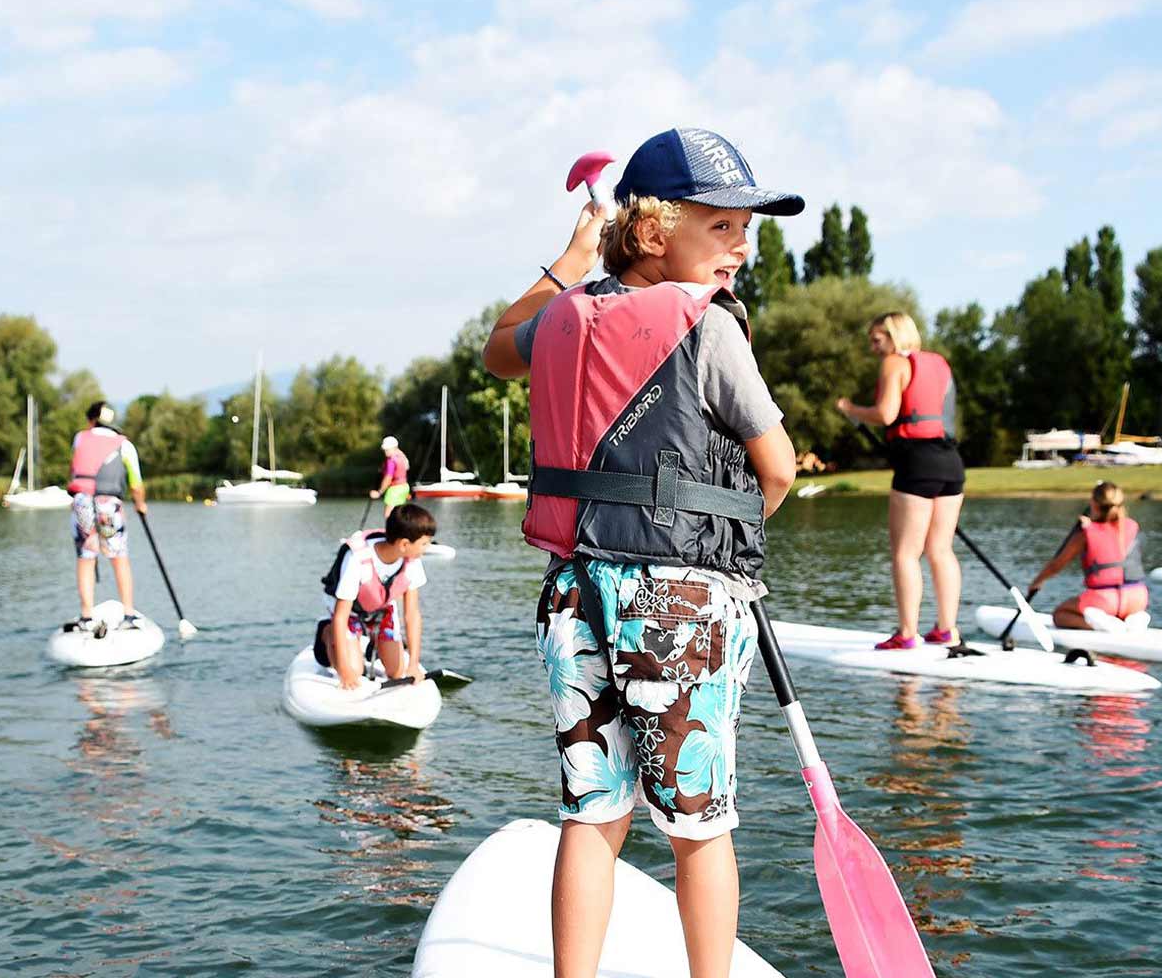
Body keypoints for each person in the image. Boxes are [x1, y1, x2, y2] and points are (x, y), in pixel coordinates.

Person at [481, 127, 800, 978]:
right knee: (700, 825)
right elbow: (779, 469)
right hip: (680, 608)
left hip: (572, 596)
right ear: (656, 231)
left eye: (748, 230)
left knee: (592, 813)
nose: (742, 248)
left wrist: (572, 255)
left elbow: (494, 344)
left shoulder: (558, 319)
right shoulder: (710, 327)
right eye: (723, 227)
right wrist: (715, 551)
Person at [834, 312, 964, 649]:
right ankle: (947, 630)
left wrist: (851, 408)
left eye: (877, 339)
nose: (874, 347)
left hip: (917, 463)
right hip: (951, 462)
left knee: (905, 553)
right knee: (941, 549)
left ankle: (907, 634)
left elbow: (886, 414)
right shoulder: (939, 363)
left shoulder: (894, 363)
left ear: (894, 336)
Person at [315, 502, 436, 688]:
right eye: (424, 544)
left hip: (381, 608)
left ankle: (375, 640)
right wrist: (345, 672)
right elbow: (341, 616)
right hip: (349, 612)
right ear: (404, 544)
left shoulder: (412, 561)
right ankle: (326, 632)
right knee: (354, 670)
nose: (426, 548)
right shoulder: (358, 558)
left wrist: (413, 664)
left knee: (396, 672)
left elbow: (412, 615)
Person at [1024, 481, 1149, 631]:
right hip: (1137, 598)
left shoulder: (1086, 533)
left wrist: (1037, 582)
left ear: (1093, 504)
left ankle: (1101, 625)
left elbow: (1057, 565)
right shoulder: (1132, 526)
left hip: (1104, 600)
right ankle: (1133, 618)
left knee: (1060, 614)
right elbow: (1109, 535)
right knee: (1121, 608)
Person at [68, 401, 148, 633]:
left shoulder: (80, 438)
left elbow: (74, 470)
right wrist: (140, 505)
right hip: (109, 505)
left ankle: (86, 617)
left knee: (86, 556)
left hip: (82, 502)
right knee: (119, 556)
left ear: (91, 420)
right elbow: (136, 482)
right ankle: (129, 615)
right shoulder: (125, 445)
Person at [369, 435, 412, 509]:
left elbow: (388, 477)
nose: (385, 452)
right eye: (385, 449)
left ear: (394, 448)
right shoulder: (402, 456)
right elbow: (406, 468)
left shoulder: (391, 461)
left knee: (388, 515)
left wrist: (379, 492)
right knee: (398, 514)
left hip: (395, 490)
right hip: (404, 487)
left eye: (387, 449)